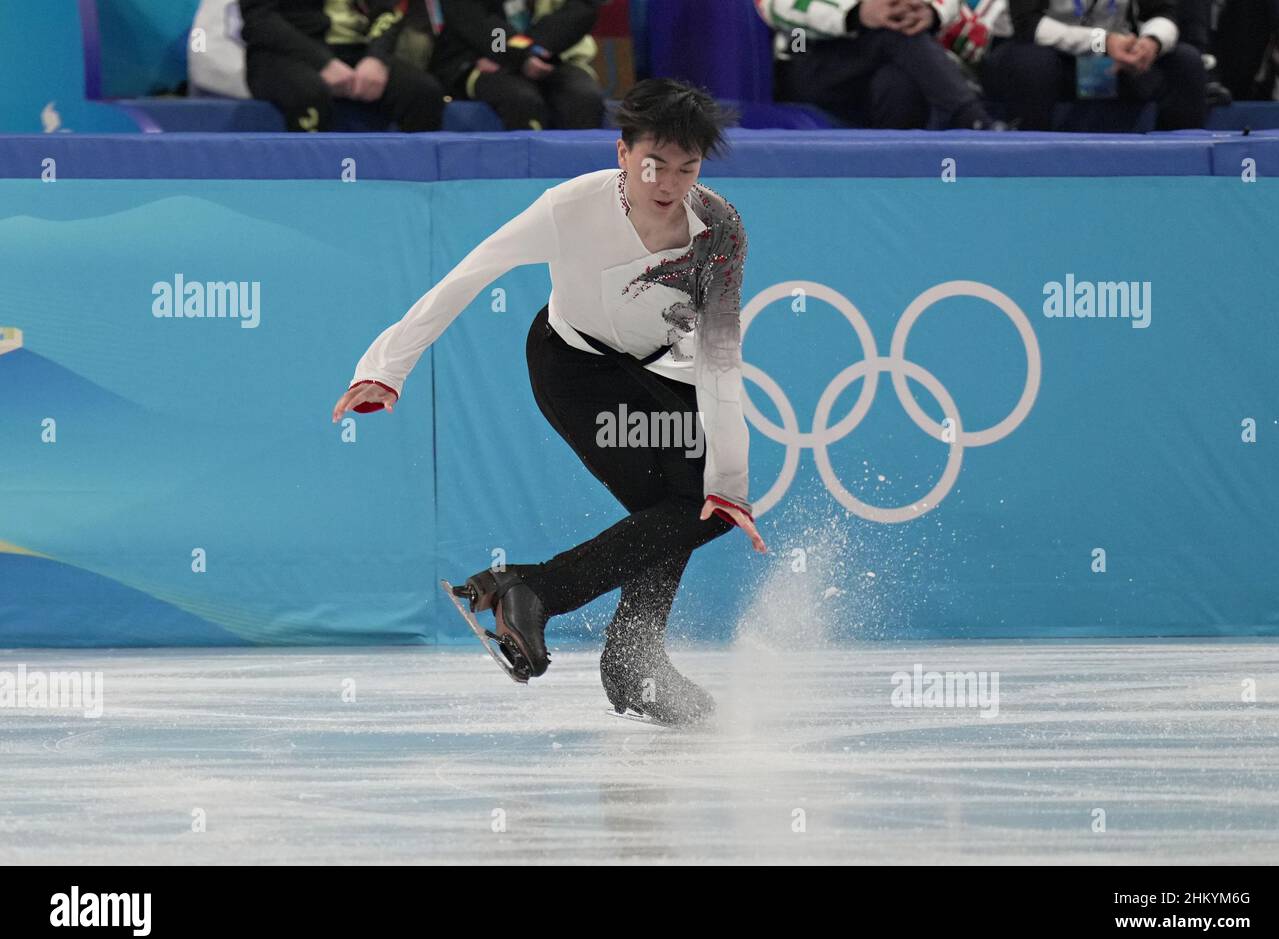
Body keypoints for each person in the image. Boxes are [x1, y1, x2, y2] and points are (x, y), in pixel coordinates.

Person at [331, 79, 767, 725]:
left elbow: (721, 355)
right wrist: (385, 370)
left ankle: (615, 648)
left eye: (686, 167)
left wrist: (730, 479)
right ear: (623, 153)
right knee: (673, 509)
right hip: (576, 371)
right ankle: (554, 607)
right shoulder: (569, 207)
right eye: (654, 164)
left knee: (704, 507)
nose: (668, 182)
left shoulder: (719, 228)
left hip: (663, 373)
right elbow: (467, 277)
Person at [757, 0, 1002, 129]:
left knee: (897, 83)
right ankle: (972, 119)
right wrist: (856, 13)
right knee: (894, 34)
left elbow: (955, 15)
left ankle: (898, 183)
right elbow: (775, 6)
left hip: (885, 63)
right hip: (810, 61)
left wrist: (927, 11)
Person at [983, 0, 1208, 129]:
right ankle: (1028, 171)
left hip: (1108, 64)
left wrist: (1151, 43)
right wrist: (1102, 42)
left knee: (1185, 62)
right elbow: (1029, 26)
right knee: (1033, 65)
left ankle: (1177, 172)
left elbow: (1162, 12)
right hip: (1042, 56)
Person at [240, 0, 448, 132]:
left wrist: (376, 58)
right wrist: (323, 62)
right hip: (285, 53)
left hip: (357, 50)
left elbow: (389, 9)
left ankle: (412, 190)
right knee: (309, 94)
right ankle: (311, 189)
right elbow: (260, 20)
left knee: (423, 92)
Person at [430, 0, 606, 130]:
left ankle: (583, 176)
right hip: (481, 57)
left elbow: (582, 9)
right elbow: (473, 20)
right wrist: (519, 54)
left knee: (584, 98)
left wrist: (535, 50)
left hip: (554, 53)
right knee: (522, 100)